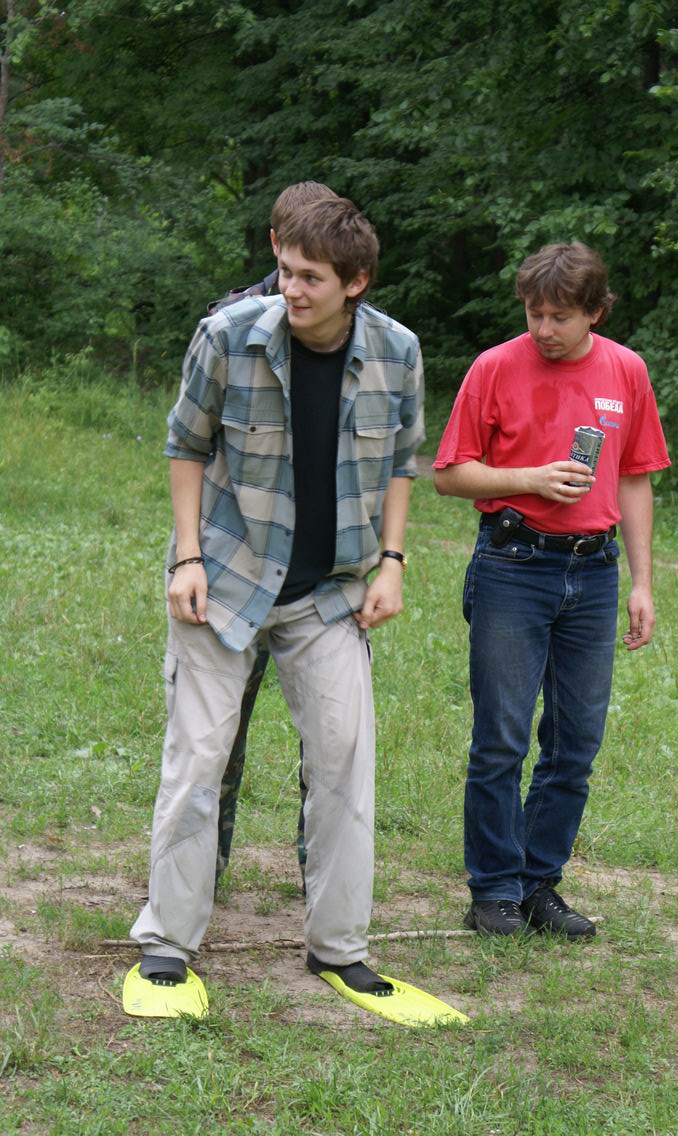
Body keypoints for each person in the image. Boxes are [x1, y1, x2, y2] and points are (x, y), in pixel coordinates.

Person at [129, 197, 425, 998]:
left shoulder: (397, 352)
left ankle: (338, 947)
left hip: (329, 593)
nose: (290, 289)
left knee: (344, 761)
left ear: (356, 282)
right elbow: (185, 446)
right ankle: (168, 941)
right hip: (224, 580)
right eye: (286, 270)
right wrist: (187, 557)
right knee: (198, 759)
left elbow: (402, 461)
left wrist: (391, 562)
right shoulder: (227, 335)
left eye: (310, 278)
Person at [433, 242, 670, 939]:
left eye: (559, 317)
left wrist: (642, 582)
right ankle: (493, 891)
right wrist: (529, 479)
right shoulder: (494, 368)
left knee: (575, 744)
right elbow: (449, 473)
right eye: (534, 314)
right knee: (501, 739)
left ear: (595, 312)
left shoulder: (626, 370)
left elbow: (635, 478)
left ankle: (539, 885)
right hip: (513, 564)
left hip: (594, 573)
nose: (543, 329)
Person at [208, 181, 338, 889]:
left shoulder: (351, 326)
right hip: (241, 559)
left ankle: (318, 867)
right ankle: (207, 864)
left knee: (329, 738)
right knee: (219, 729)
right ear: (274, 242)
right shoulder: (230, 321)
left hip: (318, 568)